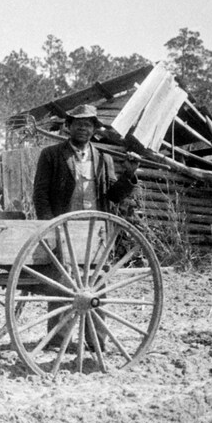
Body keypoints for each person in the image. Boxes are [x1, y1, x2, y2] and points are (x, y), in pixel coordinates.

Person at [31, 104, 141, 349]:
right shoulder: (51, 155)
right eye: (78, 123)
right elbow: (40, 195)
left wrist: (129, 177)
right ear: (68, 127)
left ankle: (96, 340)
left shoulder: (103, 159)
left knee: (96, 285)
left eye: (88, 124)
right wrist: (51, 227)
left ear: (94, 129)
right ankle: (58, 340)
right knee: (61, 282)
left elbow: (113, 196)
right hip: (63, 228)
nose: (83, 128)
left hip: (94, 230)